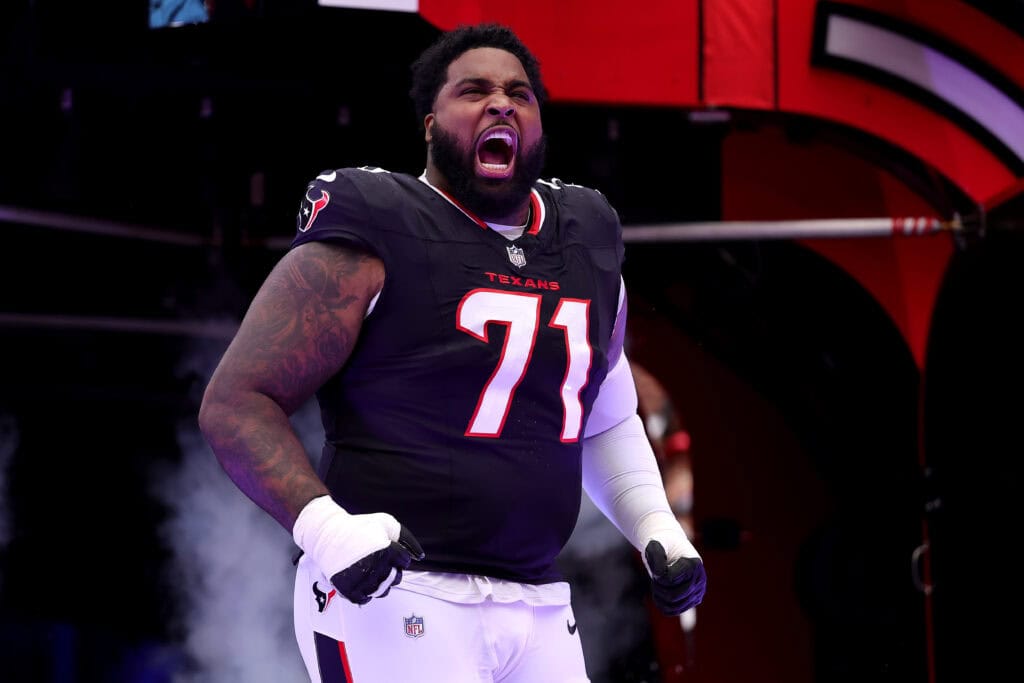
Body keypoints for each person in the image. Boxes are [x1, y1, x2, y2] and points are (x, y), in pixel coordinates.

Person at [198, 22, 706, 683]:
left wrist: (653, 522)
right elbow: (237, 401)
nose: (500, 103)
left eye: (519, 93)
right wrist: (327, 528)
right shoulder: (379, 217)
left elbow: (605, 418)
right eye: (474, 90)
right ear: (431, 123)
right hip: (398, 590)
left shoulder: (587, 235)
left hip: (538, 601)